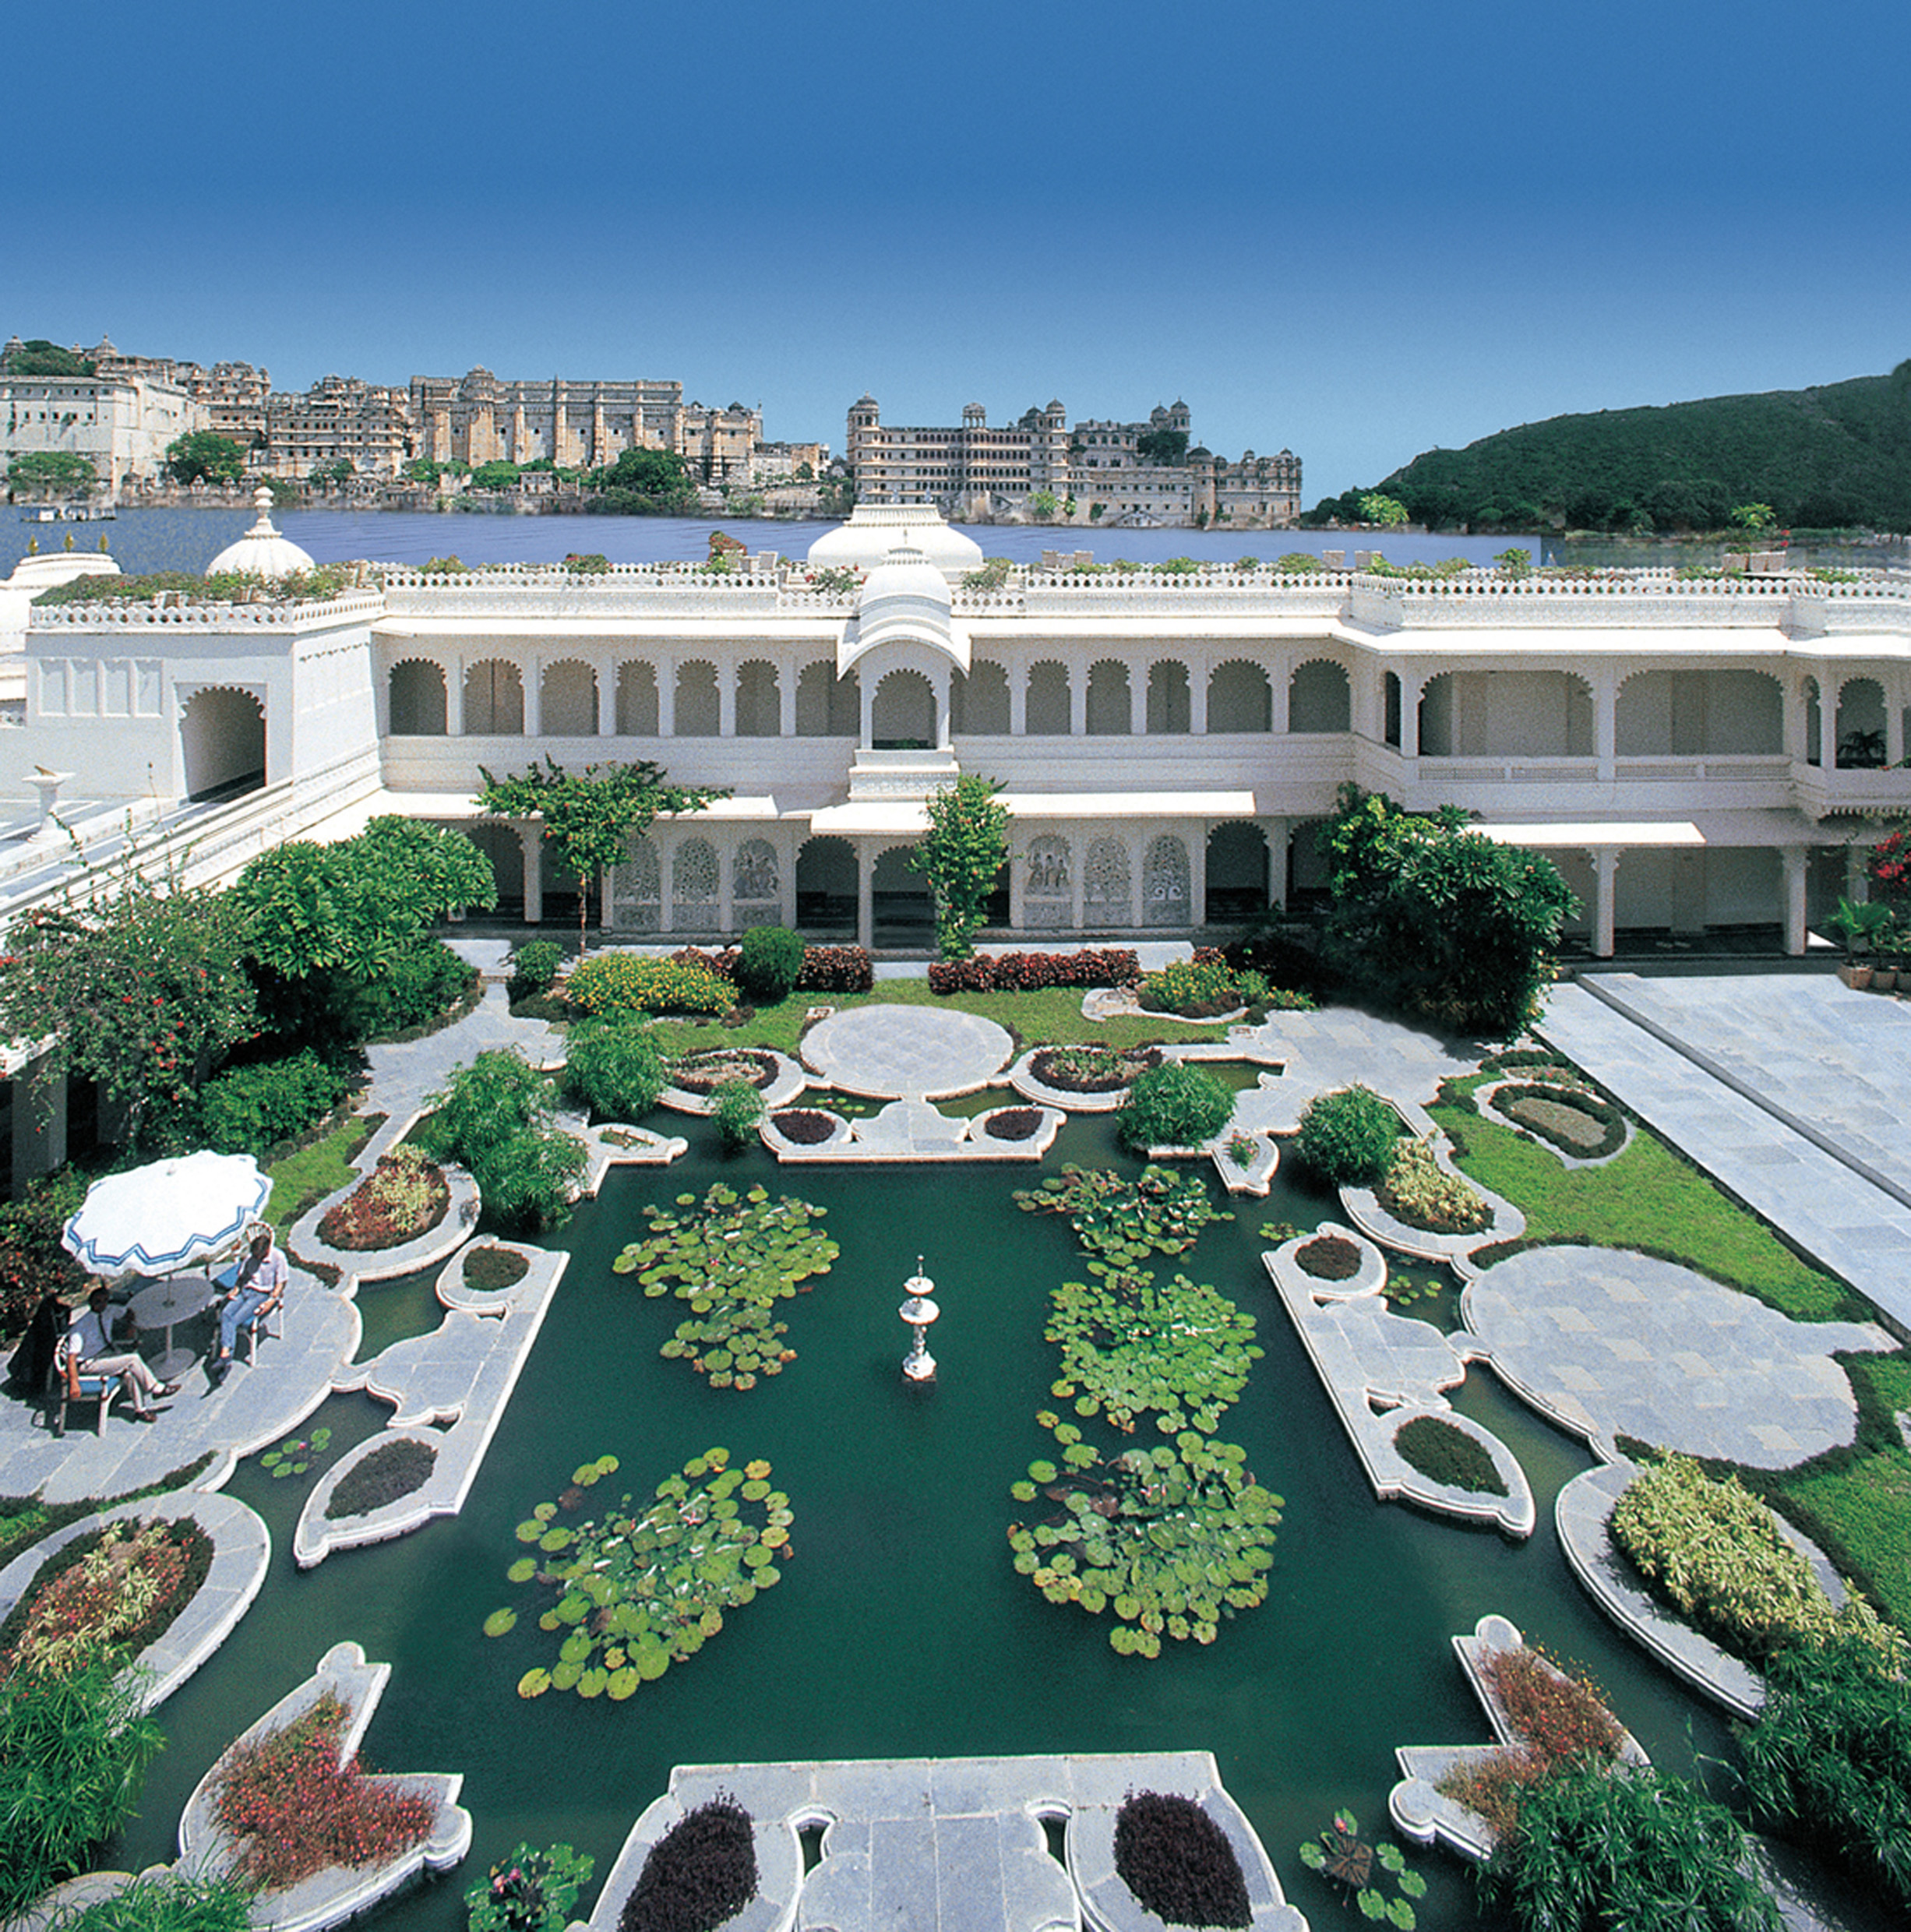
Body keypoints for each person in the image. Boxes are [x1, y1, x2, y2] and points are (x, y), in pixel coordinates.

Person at [62, 1286, 179, 1420]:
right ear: (91, 1303)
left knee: (129, 1373)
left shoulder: (109, 1311)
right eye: (98, 1302)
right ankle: (156, 1388)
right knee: (133, 1360)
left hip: (107, 1354)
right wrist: (74, 1382)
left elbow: (129, 1313)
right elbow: (71, 1358)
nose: (102, 1305)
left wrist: (131, 1327)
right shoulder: (80, 1327)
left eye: (105, 1300)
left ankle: (140, 1411)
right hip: (89, 1363)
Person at [211, 1225, 287, 1378]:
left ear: (267, 1250)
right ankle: (225, 1356)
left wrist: (271, 1301)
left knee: (234, 1320)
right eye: (255, 1256)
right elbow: (242, 1277)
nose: (257, 1259)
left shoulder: (278, 1258)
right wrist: (236, 1289)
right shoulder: (250, 1258)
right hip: (246, 1289)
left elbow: (281, 1283)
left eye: (260, 1256)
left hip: (261, 1294)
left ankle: (225, 1356)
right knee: (226, 1314)